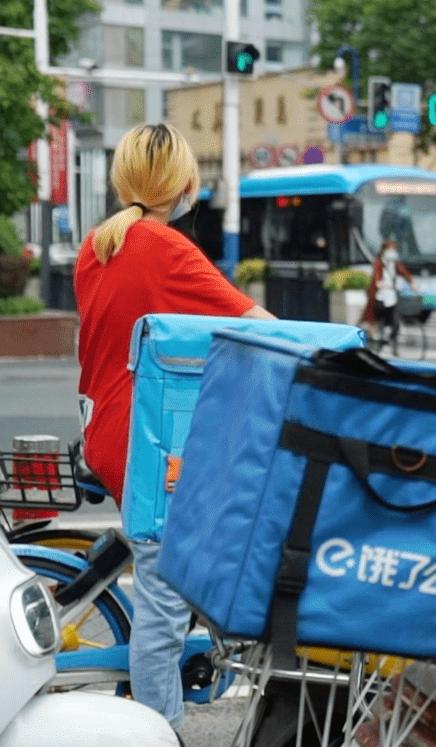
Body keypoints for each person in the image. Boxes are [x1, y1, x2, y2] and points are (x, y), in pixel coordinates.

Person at [74, 123, 275, 730]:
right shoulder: (165, 249)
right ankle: (156, 730)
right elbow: (262, 324)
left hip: (107, 429)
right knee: (161, 601)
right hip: (145, 444)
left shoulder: (98, 245)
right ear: (187, 185)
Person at [360, 238, 417, 351]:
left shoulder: (394, 263)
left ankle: (389, 340)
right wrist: (383, 285)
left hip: (392, 297)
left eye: (394, 249)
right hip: (379, 297)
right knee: (380, 320)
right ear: (384, 250)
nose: (393, 252)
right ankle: (379, 341)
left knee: (395, 323)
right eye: (390, 249)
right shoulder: (378, 263)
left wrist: (412, 283)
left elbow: (404, 272)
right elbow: (377, 279)